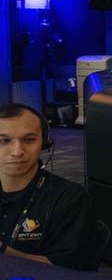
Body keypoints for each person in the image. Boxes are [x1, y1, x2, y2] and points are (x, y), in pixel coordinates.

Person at [0, 104, 96, 269]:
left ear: (44, 143)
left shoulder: (71, 199)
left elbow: (67, 272)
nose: (17, 151)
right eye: (3, 140)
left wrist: (3, 250)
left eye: (29, 139)